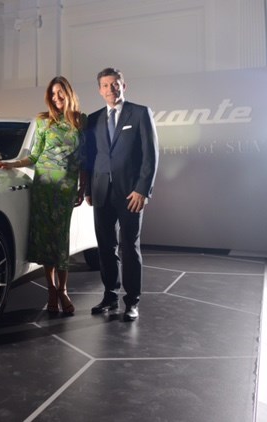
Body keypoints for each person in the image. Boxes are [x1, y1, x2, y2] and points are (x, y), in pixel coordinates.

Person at [0, 76, 86, 315]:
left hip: (65, 187)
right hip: (43, 185)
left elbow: (85, 159)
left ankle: (63, 290)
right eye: (52, 94)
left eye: (60, 92)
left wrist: (82, 188)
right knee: (46, 240)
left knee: (61, 240)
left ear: (68, 92)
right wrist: (12, 164)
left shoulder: (81, 120)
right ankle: (51, 290)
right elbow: (34, 156)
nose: (56, 97)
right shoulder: (43, 121)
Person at [80, 67, 159, 321]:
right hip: (101, 192)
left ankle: (132, 301)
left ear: (123, 86)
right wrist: (89, 190)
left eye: (115, 84)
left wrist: (142, 190)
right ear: (99, 90)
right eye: (105, 85)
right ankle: (110, 295)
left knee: (130, 247)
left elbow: (150, 155)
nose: (110, 89)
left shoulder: (140, 113)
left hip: (130, 194)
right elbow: (90, 157)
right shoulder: (93, 119)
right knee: (105, 247)